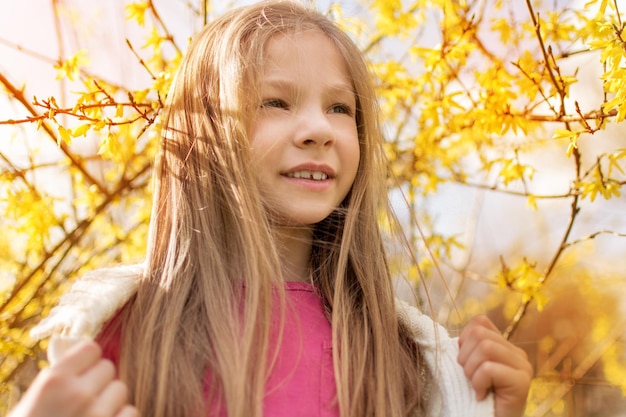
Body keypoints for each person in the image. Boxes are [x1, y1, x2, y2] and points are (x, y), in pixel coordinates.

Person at [9, 1, 533, 416]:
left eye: (339, 108)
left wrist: (486, 410)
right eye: (276, 103)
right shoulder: (128, 329)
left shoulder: (402, 354)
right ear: (203, 135)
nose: (319, 130)